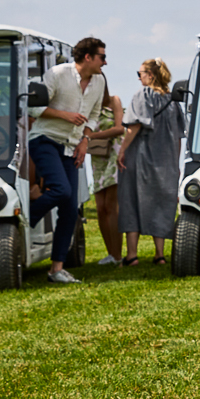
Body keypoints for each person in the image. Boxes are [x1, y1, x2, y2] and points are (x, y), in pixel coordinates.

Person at [27, 37, 108, 284]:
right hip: (45, 140)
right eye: (102, 57)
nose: (105, 62)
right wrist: (64, 115)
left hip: (72, 147)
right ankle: (22, 223)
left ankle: (56, 270)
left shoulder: (99, 81)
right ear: (88, 58)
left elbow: (93, 116)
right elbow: (33, 109)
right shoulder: (57, 73)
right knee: (61, 191)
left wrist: (85, 141)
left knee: (70, 209)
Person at [118, 58, 185, 265]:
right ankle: (160, 254)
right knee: (161, 204)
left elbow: (134, 127)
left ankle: (132, 255)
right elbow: (179, 135)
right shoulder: (173, 101)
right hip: (166, 161)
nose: (139, 78)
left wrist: (122, 150)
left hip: (141, 157)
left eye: (140, 74)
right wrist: (175, 162)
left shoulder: (142, 95)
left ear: (151, 75)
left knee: (131, 201)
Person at [84, 87, 124, 266]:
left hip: (114, 155)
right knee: (100, 208)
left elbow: (119, 128)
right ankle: (111, 253)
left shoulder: (114, 100)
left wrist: (93, 135)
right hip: (98, 158)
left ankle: (118, 255)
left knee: (111, 205)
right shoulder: (88, 106)